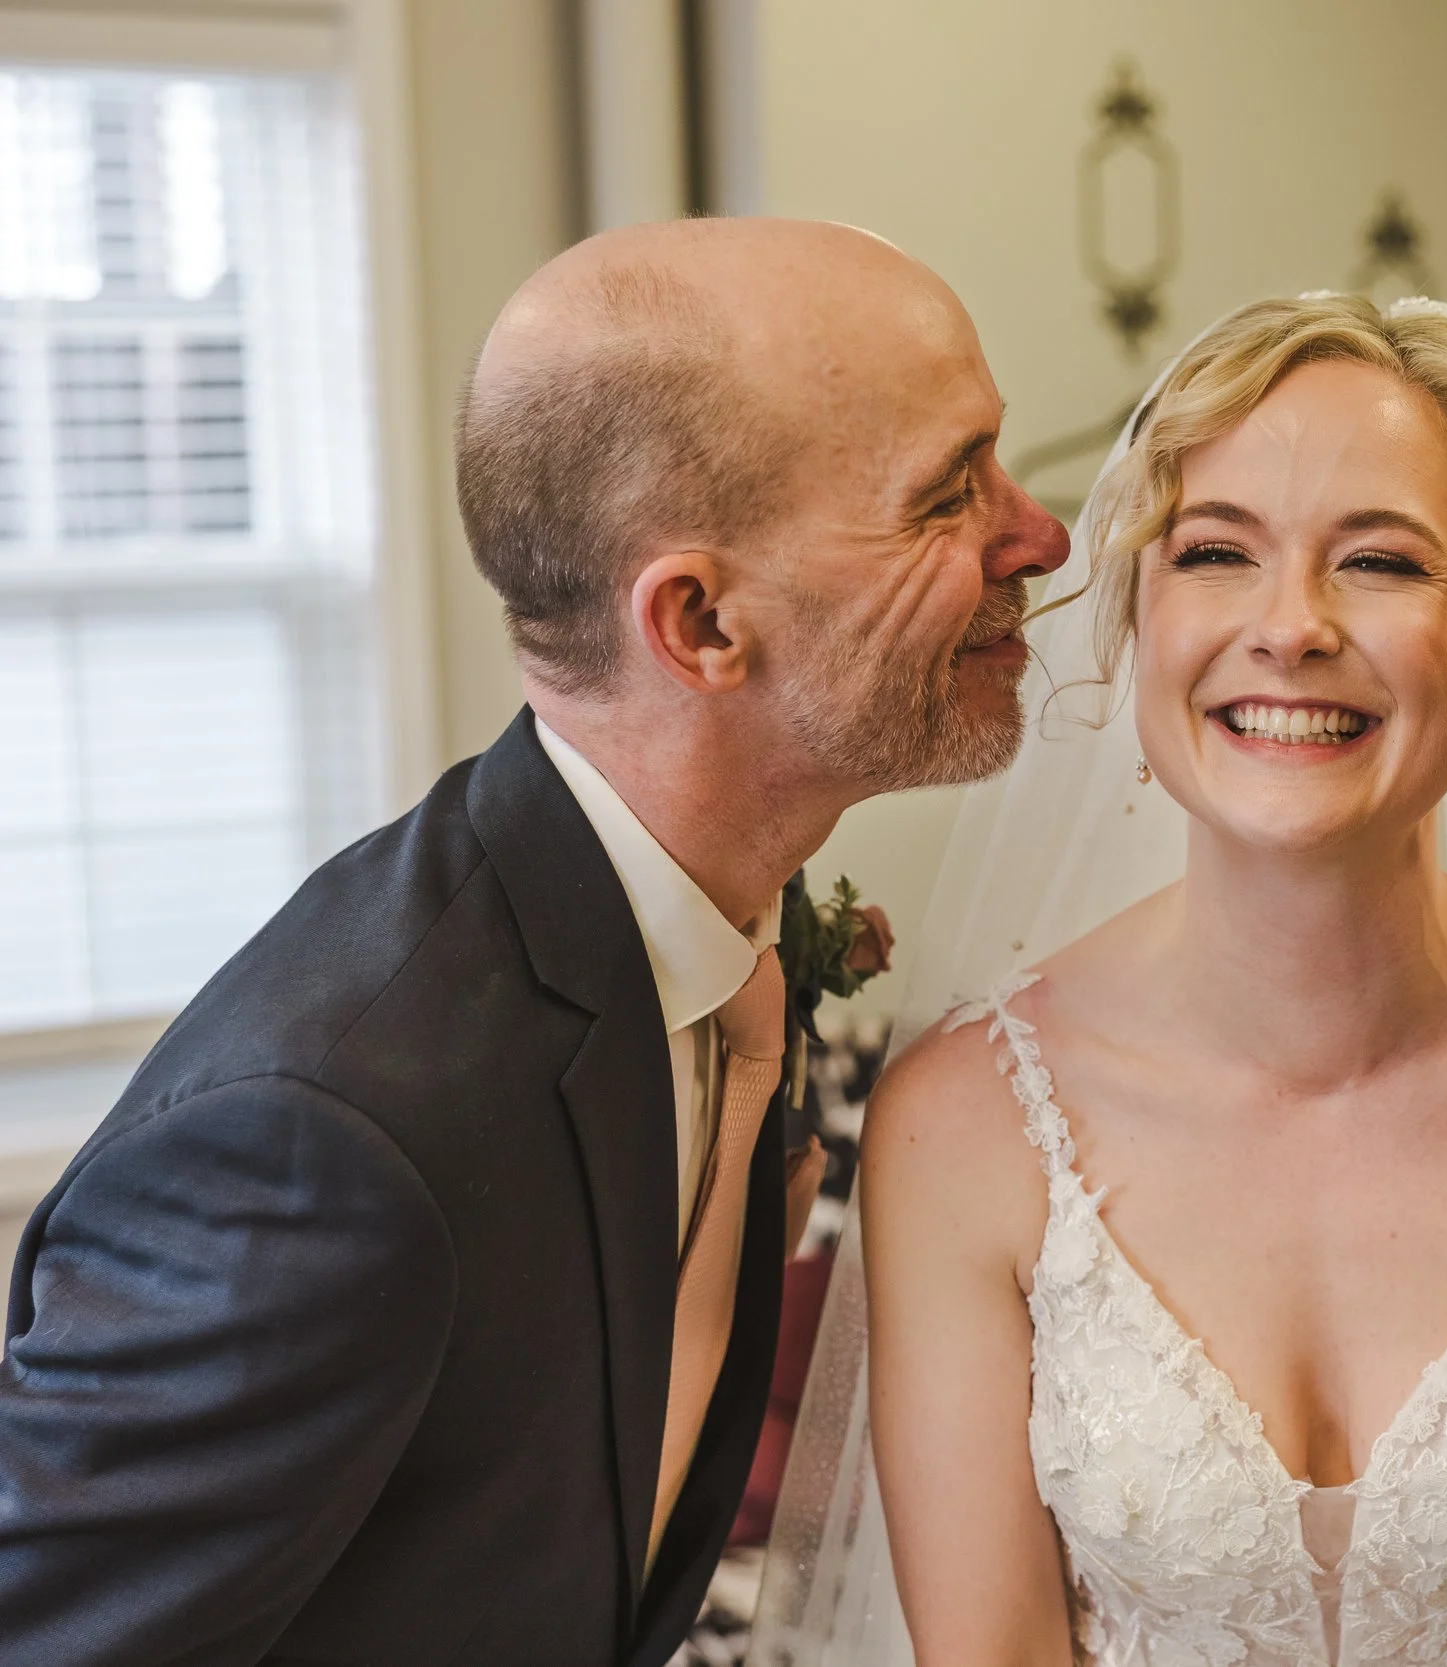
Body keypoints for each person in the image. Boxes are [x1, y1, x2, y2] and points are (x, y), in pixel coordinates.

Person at [0, 218, 1068, 1664]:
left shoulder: (714, 957)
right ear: (697, 622)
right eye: (949, 493)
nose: (1040, 530)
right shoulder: (328, 1142)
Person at [771, 294, 1447, 1667]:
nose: (1290, 625)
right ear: (1135, 625)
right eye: (1216, 552)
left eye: (1380, 562)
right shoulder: (962, 1127)